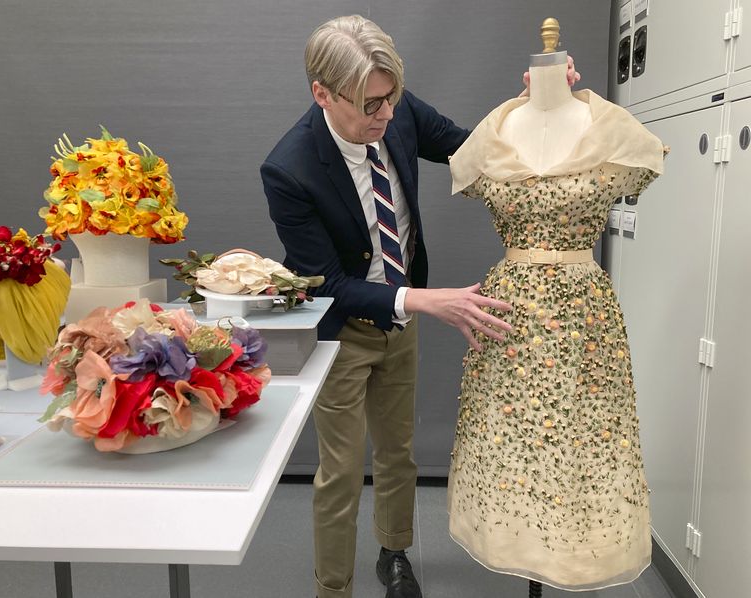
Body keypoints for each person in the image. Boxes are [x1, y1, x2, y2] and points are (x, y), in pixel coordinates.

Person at [260, 15, 576, 598]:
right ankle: (333, 587)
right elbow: (324, 281)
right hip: (341, 333)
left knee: (398, 451)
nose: (385, 117)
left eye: (391, 99)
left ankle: (395, 555)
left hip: (401, 324)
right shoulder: (290, 168)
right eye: (370, 105)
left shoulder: (395, 109)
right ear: (322, 94)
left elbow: (471, 145)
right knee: (340, 470)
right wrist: (426, 300)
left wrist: (532, 104)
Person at [446, 42, 665, 592]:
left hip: (583, 316)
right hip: (509, 312)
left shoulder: (612, 131)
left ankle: (573, 557)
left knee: (583, 437)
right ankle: (515, 543)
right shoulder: (494, 136)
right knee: (513, 439)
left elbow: (646, 160)